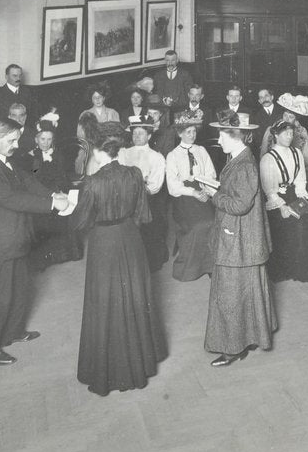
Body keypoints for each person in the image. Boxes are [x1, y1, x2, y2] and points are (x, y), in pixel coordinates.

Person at [72, 136, 167, 395]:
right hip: (130, 237)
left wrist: (70, 206)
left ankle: (109, 370)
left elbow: (80, 221)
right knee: (134, 296)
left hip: (104, 242)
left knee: (105, 300)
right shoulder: (135, 174)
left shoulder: (93, 182)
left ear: (99, 153)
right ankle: (140, 363)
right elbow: (143, 214)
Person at [0, 118, 69, 366]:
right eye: (11, 140)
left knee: (20, 288)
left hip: (15, 237)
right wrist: (50, 205)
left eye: (16, 139)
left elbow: (27, 181)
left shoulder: (5, 161)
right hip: (0, 243)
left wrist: (51, 194)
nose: (15, 144)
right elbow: (11, 199)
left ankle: (13, 332)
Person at [201, 112, 277, 366]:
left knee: (230, 292)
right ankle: (251, 336)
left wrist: (214, 195)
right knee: (248, 288)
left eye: (222, 134)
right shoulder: (240, 158)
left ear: (234, 136)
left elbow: (240, 205)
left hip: (237, 237)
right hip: (245, 238)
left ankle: (233, 347)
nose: (219, 139)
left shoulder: (244, 165)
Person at [260, 120, 308, 283]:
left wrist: (302, 197)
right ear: (275, 135)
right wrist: (282, 206)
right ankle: (291, 269)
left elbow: (300, 179)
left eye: (291, 133)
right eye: (285, 133)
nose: (290, 136)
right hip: (278, 198)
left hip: (295, 195)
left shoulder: (297, 152)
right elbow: (269, 190)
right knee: (295, 224)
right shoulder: (268, 159)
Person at [165, 111, 217, 281]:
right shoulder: (173, 155)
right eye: (188, 132)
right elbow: (173, 186)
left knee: (213, 221)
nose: (192, 135)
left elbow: (210, 174)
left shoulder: (201, 150)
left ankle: (211, 265)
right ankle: (190, 268)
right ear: (180, 133)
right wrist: (193, 192)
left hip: (202, 191)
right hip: (184, 195)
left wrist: (207, 191)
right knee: (198, 225)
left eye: (194, 131)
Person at [23, 122, 79, 268]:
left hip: (57, 190)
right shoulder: (30, 157)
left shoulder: (58, 155)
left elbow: (62, 176)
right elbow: (33, 181)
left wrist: (61, 190)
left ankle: (61, 254)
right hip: (41, 195)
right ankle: (43, 258)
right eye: (43, 139)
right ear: (36, 140)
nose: (46, 143)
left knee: (64, 212)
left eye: (49, 139)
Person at [121, 116, 168, 272]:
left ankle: (148, 263)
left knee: (148, 227)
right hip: (124, 199)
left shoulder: (157, 157)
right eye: (134, 133)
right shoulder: (123, 153)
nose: (136, 137)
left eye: (141, 134)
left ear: (149, 136)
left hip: (147, 200)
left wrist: (138, 188)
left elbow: (155, 185)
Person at [75, 83, 121, 176]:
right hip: (91, 147)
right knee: (84, 159)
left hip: (109, 146)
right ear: (91, 99)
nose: (97, 100)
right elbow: (80, 136)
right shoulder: (85, 114)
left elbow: (118, 133)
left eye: (100, 97)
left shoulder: (112, 113)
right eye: (94, 97)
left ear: (104, 98)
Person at [261, 93, 308, 170]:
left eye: (291, 117)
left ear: (296, 119)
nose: (287, 119)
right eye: (285, 115)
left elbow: (306, 159)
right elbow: (263, 155)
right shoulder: (271, 130)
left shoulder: (302, 132)